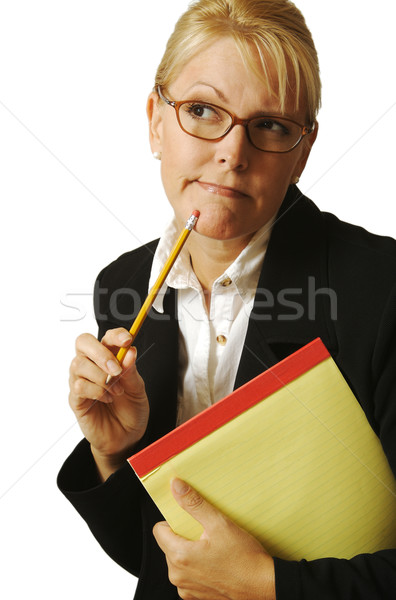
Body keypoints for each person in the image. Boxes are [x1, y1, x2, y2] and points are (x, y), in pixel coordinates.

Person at [57, 0, 396, 598]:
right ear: (154, 121)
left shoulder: (383, 286)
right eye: (202, 111)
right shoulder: (124, 286)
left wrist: (268, 585)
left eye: (270, 125)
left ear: (304, 150)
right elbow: (156, 564)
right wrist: (113, 454)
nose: (232, 155)